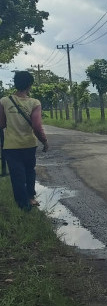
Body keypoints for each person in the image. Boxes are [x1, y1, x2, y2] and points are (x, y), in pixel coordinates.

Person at [0, 71, 49, 211]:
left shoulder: (4, 101)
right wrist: (44, 141)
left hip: (11, 146)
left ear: (15, 83)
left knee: (17, 175)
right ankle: (31, 198)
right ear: (30, 85)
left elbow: (1, 124)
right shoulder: (34, 103)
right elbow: (37, 126)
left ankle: (23, 206)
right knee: (29, 171)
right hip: (29, 144)